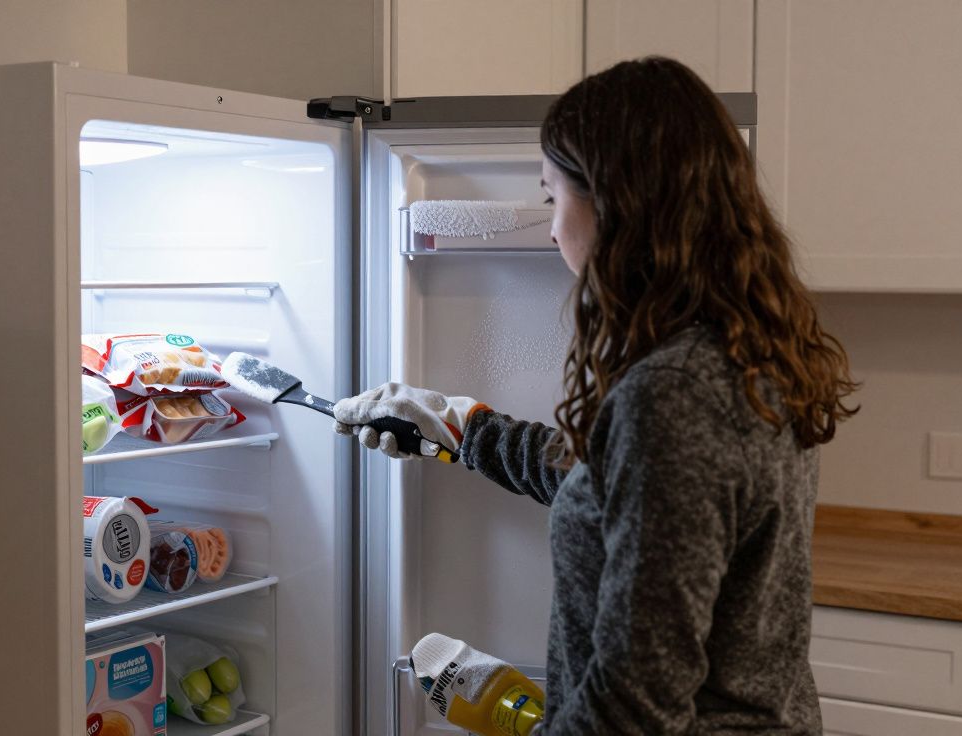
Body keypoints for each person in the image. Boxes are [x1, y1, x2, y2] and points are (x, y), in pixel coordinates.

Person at [335, 56, 858, 735]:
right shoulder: (740, 350)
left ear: (617, 201)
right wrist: (463, 427)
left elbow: (635, 706)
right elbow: (627, 490)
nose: (552, 228)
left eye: (555, 197)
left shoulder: (674, 395)